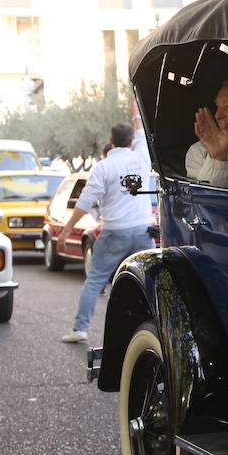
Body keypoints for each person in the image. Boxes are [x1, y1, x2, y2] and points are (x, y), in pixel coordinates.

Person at [57, 118, 154, 343]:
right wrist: (136, 115)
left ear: (111, 141)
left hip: (114, 232)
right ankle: (154, 323)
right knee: (149, 281)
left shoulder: (103, 167)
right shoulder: (141, 157)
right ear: (131, 141)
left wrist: (65, 232)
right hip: (143, 230)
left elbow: (85, 201)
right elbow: (141, 131)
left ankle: (80, 329)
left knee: (95, 281)